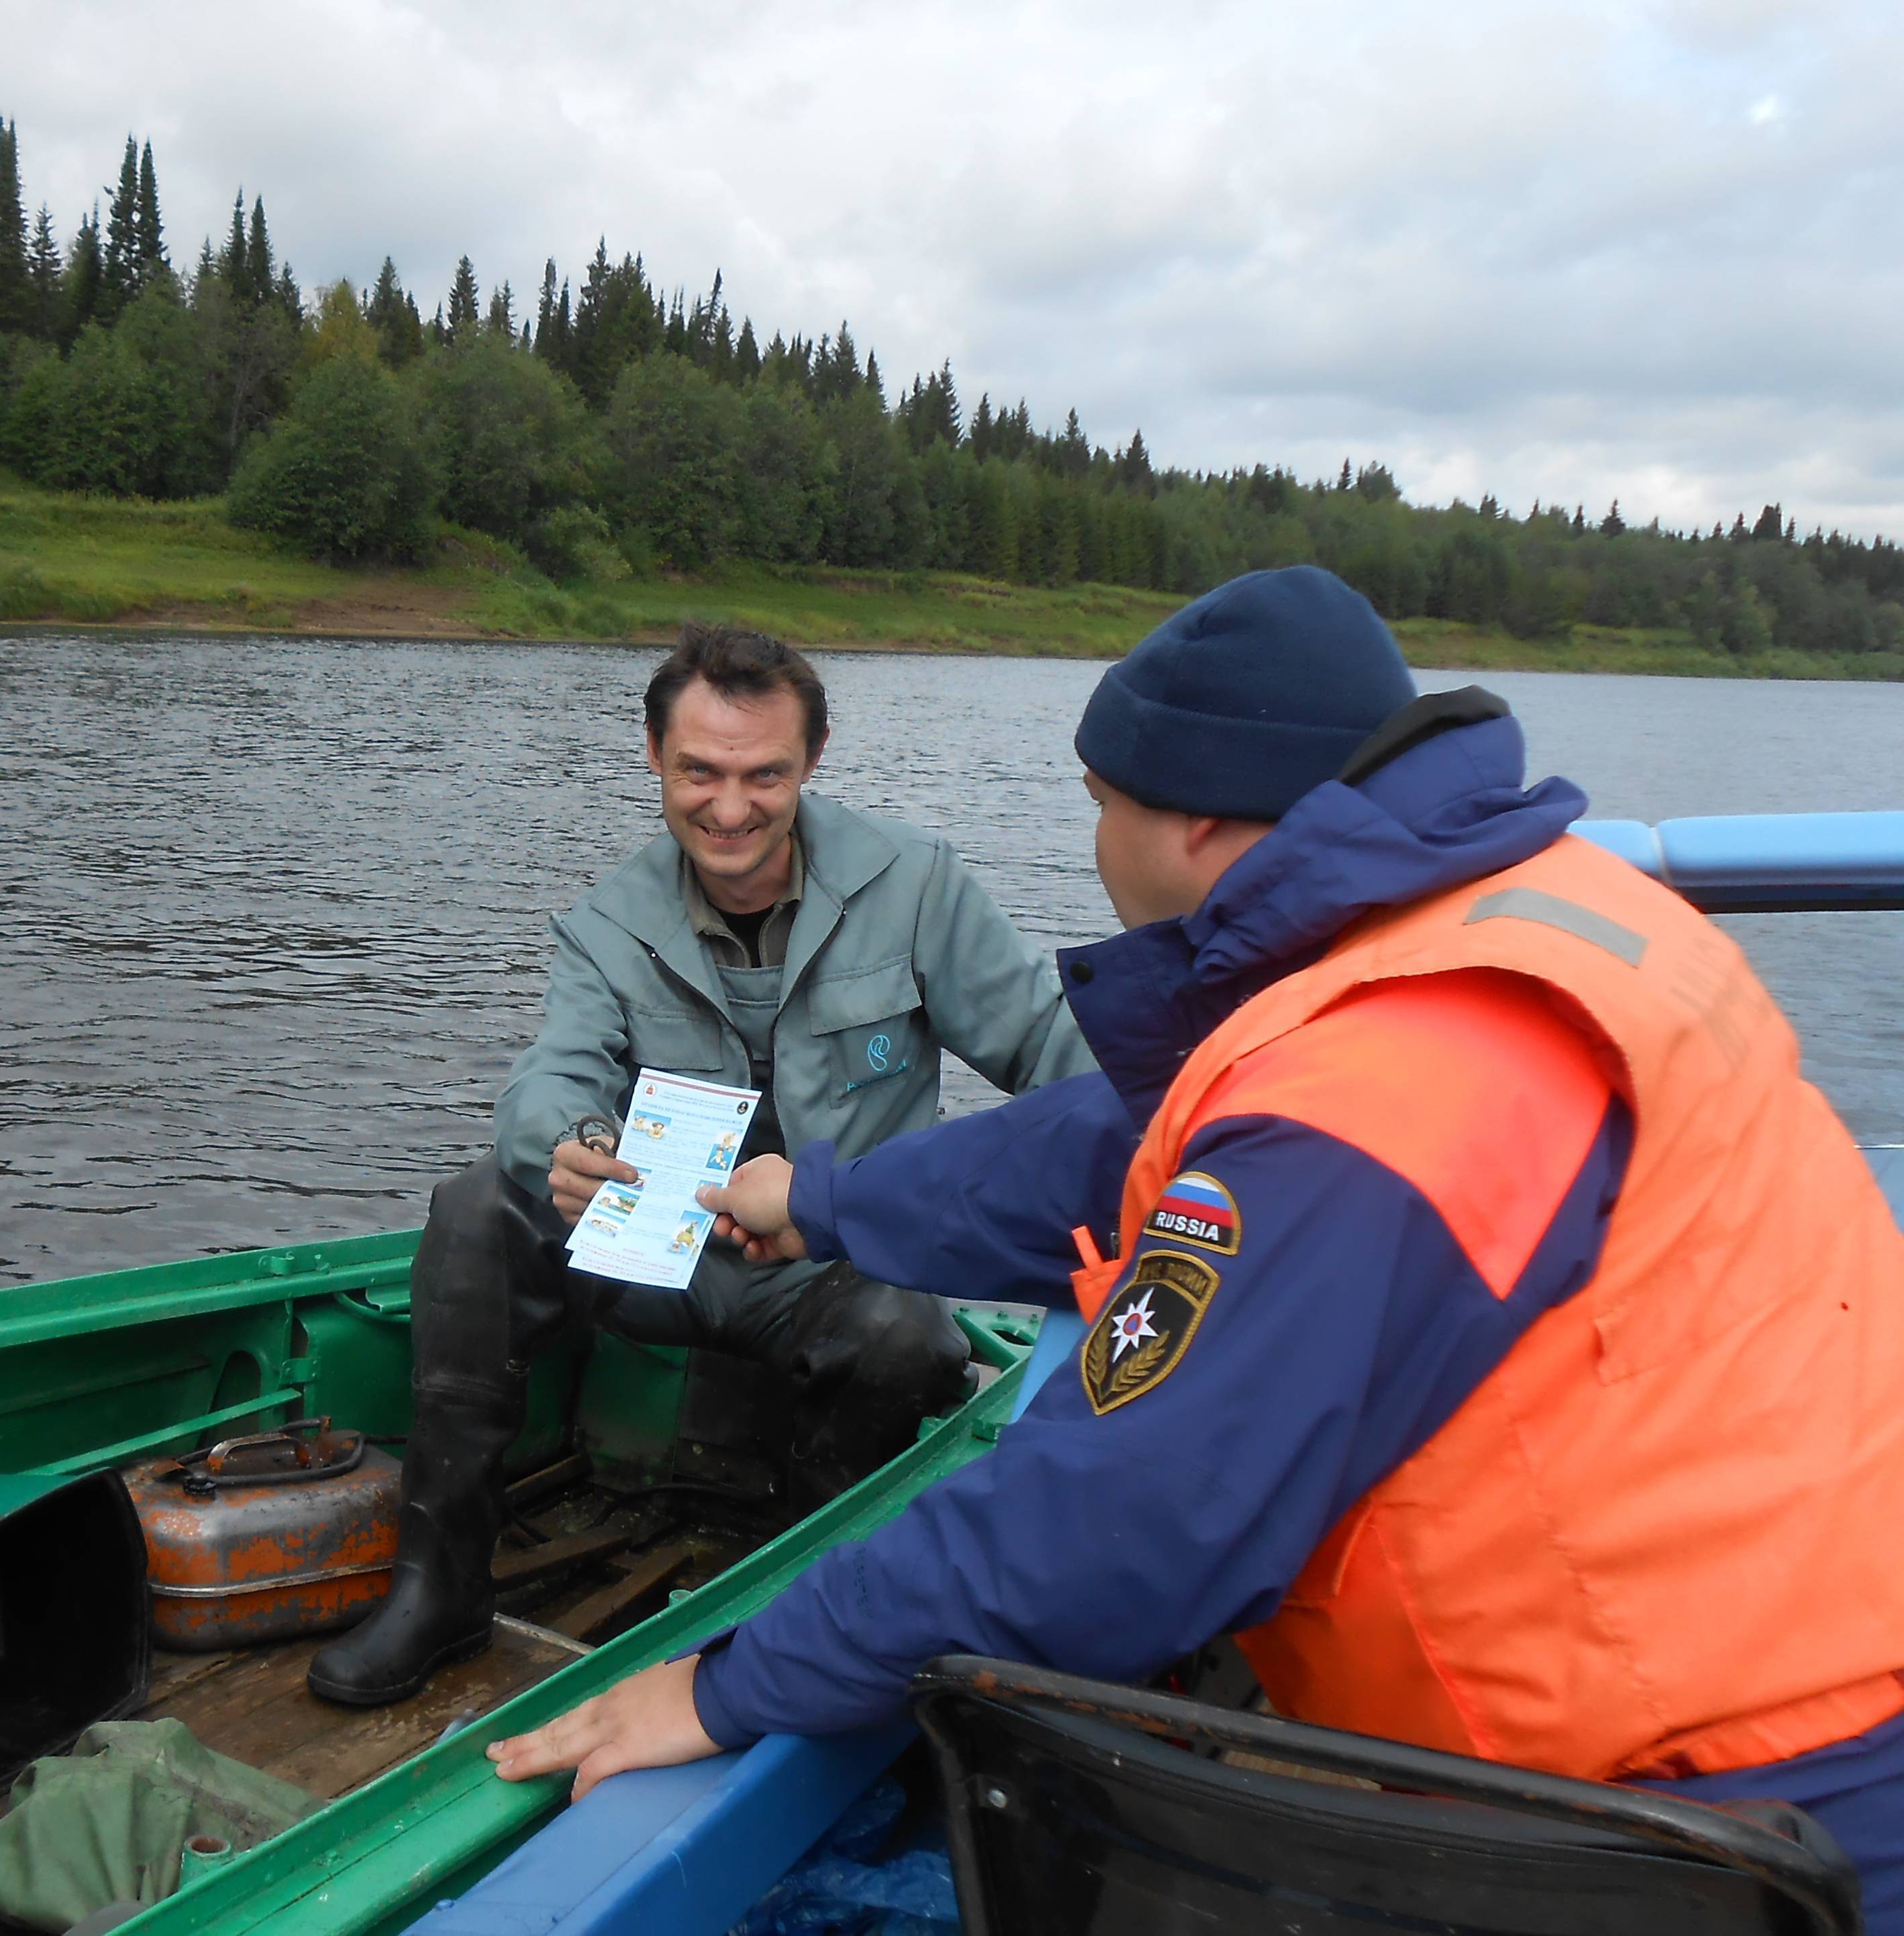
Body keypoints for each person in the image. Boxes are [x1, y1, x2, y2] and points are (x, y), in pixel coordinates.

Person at [486, 567, 1904, 1924]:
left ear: (1203, 831)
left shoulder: (1383, 1099)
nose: (1094, 836)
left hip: (1722, 1810)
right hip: (1786, 1652)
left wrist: (730, 1685)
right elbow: (1116, 1149)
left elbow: (1108, 1529)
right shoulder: (1515, 920)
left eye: (1100, 803)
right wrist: (825, 1200)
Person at [309, 624, 1092, 1706]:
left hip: (831, 1268)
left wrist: (1171, 1149)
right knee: (477, 1209)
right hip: (662, 1255)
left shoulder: (916, 885)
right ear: (653, 758)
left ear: (811, 761)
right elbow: (549, 1077)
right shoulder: (605, 923)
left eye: (764, 773)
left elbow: (1054, 1055)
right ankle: (439, 1587)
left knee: (909, 1338)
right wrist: (573, 1145)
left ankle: (812, 1597)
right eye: (701, 772)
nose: (730, 807)